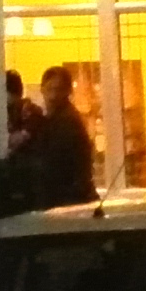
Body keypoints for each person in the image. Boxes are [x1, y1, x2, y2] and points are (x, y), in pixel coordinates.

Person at [12, 65, 98, 209]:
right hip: (65, 198)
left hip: (67, 200)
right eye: (49, 89)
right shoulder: (53, 118)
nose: (53, 96)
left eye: (58, 90)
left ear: (68, 91)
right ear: (42, 89)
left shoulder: (67, 122)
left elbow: (51, 163)